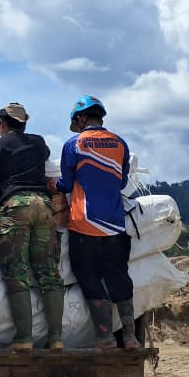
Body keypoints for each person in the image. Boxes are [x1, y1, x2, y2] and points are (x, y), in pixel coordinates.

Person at [53, 95, 140, 350]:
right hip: (114, 224)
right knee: (118, 275)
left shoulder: (74, 144)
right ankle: (130, 336)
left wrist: (52, 186)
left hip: (84, 224)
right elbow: (122, 182)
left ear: (80, 118)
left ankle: (105, 337)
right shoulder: (120, 143)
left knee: (87, 274)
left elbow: (66, 184)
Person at [0, 103, 64, 351]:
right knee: (49, 273)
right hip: (44, 205)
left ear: (2, 124)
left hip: (15, 206)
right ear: (24, 123)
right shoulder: (39, 142)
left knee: (17, 273)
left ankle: (24, 338)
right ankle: (56, 338)